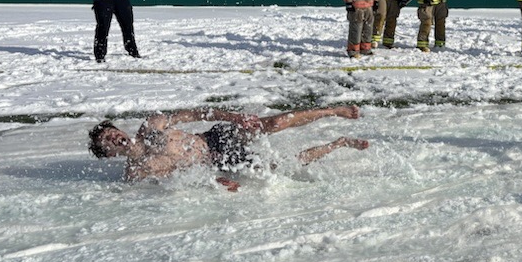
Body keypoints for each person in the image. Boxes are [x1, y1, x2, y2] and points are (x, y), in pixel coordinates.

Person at [88, 106, 368, 190]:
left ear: (119, 130)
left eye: (112, 133)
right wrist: (215, 181)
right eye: (107, 143)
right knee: (281, 168)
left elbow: (198, 113)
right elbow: (176, 184)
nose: (113, 139)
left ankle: (333, 110)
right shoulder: (137, 171)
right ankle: (339, 143)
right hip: (218, 162)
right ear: (110, 155)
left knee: (274, 122)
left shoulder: (152, 125)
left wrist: (235, 118)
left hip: (216, 137)